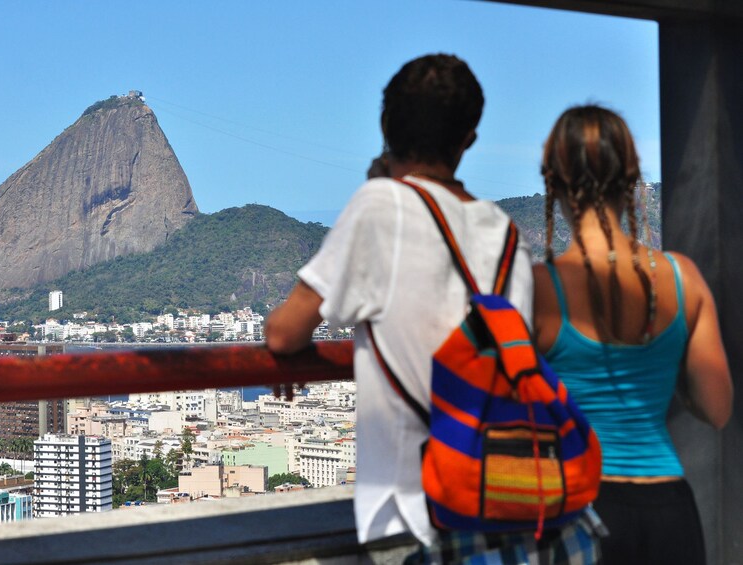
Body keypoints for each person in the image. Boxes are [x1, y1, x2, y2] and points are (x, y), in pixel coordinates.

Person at [265, 54, 601, 564]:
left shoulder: (379, 208)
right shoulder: (504, 233)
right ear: (468, 139)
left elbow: (284, 333)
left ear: (385, 126)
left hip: (412, 517)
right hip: (504, 497)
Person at [533, 105, 733, 565]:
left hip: (580, 511)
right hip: (671, 510)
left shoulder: (540, 289)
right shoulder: (683, 279)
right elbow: (717, 409)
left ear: (555, 181)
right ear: (630, 178)